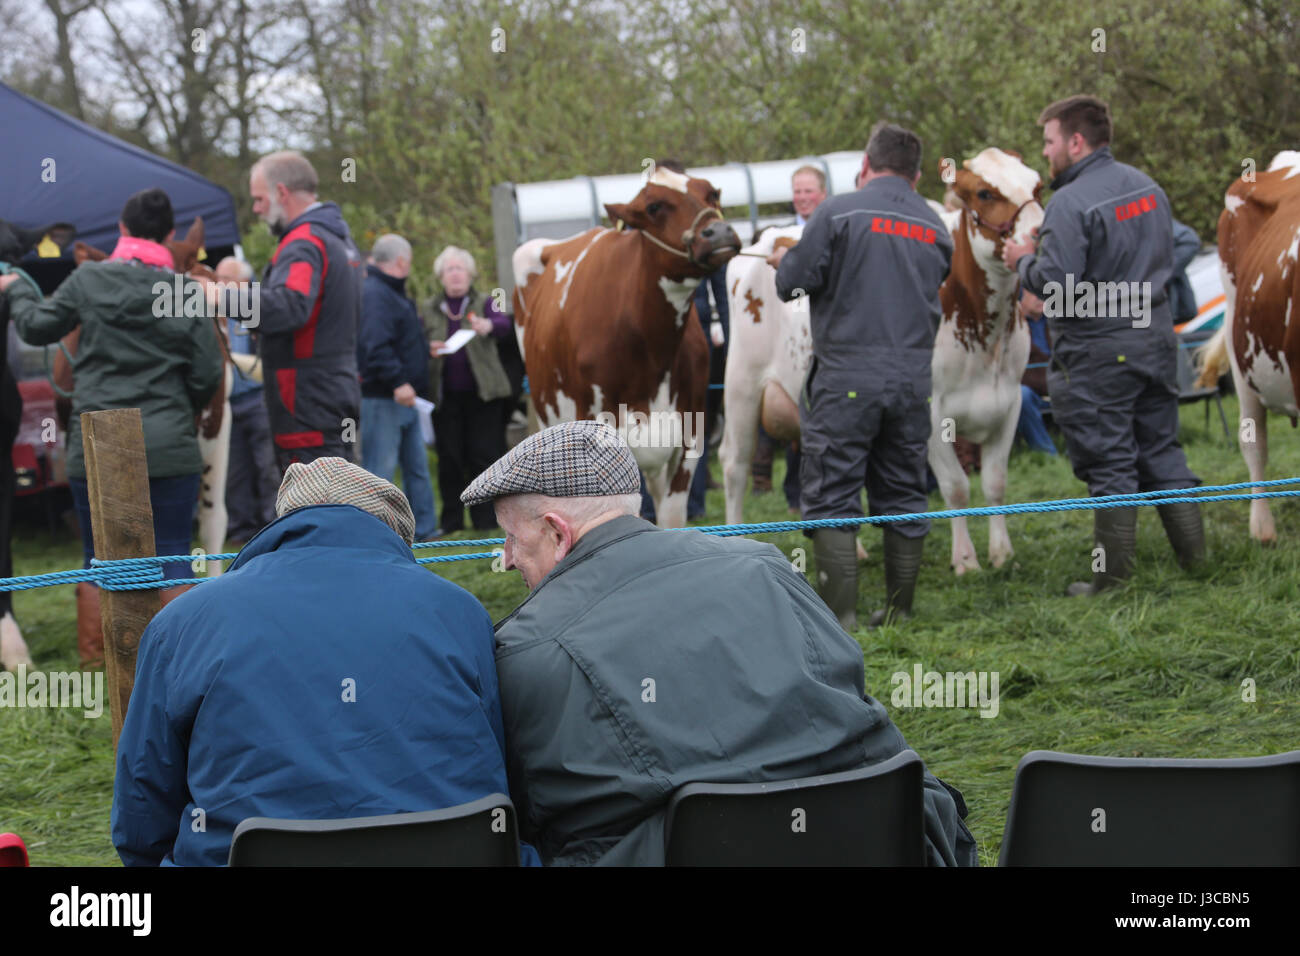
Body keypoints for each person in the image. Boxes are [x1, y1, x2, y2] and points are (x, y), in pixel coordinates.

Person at [462, 420, 977, 867]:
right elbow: (857, 710)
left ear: (557, 532)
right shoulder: (768, 566)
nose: (505, 558)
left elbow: (523, 817)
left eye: (510, 537)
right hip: (871, 845)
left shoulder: (525, 649)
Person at [111, 457, 535, 866]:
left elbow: (141, 818)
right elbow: (506, 774)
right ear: (393, 536)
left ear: (283, 524)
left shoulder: (185, 621)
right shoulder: (460, 612)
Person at [0, 188, 223, 668]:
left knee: (98, 556)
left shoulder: (88, 281)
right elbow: (208, 375)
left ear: (122, 230)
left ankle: (102, 664)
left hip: (97, 443)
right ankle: (179, 665)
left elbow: (37, 328)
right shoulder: (184, 291)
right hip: (169, 447)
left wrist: (17, 286)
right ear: (168, 235)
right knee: (171, 554)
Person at [1002, 95, 1203, 595]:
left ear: (1075, 141)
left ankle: (1110, 583)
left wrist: (1023, 260)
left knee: (1111, 465)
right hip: (1155, 341)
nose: (1045, 153)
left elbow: (1057, 286)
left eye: (1049, 142)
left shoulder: (1070, 202)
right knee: (1163, 452)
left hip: (1099, 353)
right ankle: (1198, 564)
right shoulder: (1148, 187)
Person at [769, 123, 953, 629]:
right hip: (913, 381)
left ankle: (840, 618)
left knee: (832, 492)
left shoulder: (837, 211)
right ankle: (899, 611)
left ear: (866, 166)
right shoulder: (935, 225)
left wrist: (786, 259)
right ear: (916, 176)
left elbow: (792, 283)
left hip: (846, 377)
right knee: (904, 490)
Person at [249, 150, 364, 471]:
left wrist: (222, 298)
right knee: (340, 497)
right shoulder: (338, 238)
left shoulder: (303, 242)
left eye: (259, 199)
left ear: (281, 193)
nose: (257, 209)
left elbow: (290, 307)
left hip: (306, 400)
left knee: (313, 504)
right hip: (336, 388)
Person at [422, 246, 512, 533]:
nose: (456, 274)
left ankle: (485, 520)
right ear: (441, 276)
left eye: (460, 268)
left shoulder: (487, 300)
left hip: (482, 396)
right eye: (450, 269)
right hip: (444, 397)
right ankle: (452, 522)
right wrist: (427, 348)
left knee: (483, 455)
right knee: (449, 458)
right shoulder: (428, 307)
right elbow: (414, 340)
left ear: (470, 274)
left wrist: (488, 325)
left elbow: (505, 324)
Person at [753, 165, 829, 507]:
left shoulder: (832, 230)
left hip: (823, 338)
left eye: (808, 191)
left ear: (822, 194)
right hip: (782, 341)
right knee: (794, 423)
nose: (801, 198)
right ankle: (793, 494)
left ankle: (814, 497)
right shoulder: (773, 236)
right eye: (797, 191)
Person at [357, 234, 438, 540]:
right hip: (385, 397)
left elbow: (395, 339)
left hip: (406, 399)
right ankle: (378, 534)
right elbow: (375, 346)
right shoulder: (376, 294)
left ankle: (425, 531)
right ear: (402, 261)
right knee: (381, 470)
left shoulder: (390, 292)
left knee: (417, 467)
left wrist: (423, 347)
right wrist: (398, 381)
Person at [216, 257, 280, 545]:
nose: (221, 285)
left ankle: (273, 525)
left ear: (245, 283)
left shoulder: (256, 310)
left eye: (228, 279)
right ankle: (241, 530)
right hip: (228, 402)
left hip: (259, 399)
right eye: (218, 279)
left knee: (268, 467)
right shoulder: (212, 314)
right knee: (235, 470)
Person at [1016, 289, 1058, 455]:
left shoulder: (1055, 322)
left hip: (1060, 387)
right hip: (1033, 390)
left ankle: (1082, 451)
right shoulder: (1014, 326)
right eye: (1033, 293)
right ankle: (1047, 454)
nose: (1040, 299)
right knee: (1022, 395)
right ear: (1020, 299)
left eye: (1043, 294)